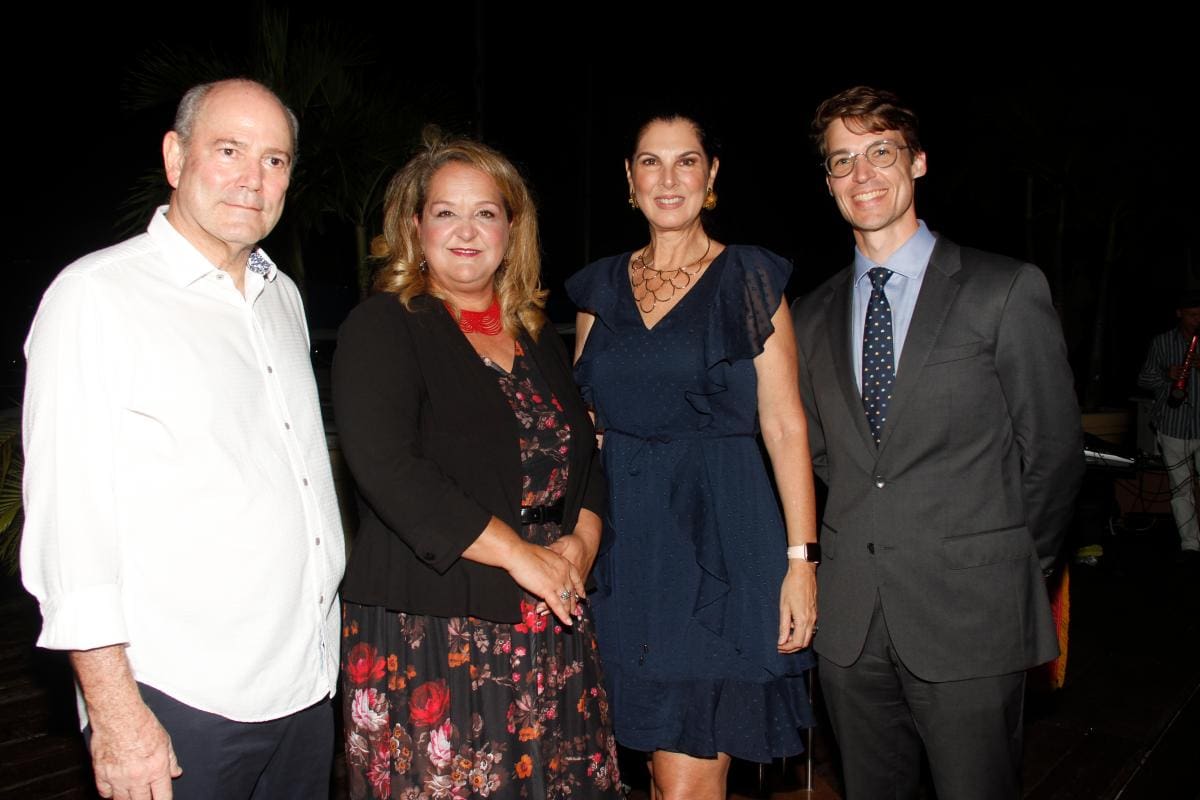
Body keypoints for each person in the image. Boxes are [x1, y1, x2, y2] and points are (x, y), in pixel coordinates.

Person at [21, 79, 345, 799]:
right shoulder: (97, 298)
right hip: (181, 701)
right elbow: (69, 529)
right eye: (229, 150)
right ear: (175, 157)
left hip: (304, 687)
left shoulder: (280, 297)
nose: (252, 179)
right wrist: (115, 713)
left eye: (275, 160)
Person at [792, 85, 1084, 799]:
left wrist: (1008, 569)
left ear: (917, 162)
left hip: (972, 617)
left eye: (880, 153)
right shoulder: (808, 315)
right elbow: (825, 454)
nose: (862, 175)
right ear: (828, 181)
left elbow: (1051, 454)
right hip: (852, 626)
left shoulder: (1004, 288)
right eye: (842, 161)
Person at [332, 134, 622, 800]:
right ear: (414, 227)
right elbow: (387, 467)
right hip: (436, 630)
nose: (466, 230)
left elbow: (584, 458)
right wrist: (519, 554)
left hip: (553, 618)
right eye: (445, 212)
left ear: (511, 229)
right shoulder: (384, 325)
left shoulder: (534, 334)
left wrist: (581, 541)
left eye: (485, 212)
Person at [567, 114, 818, 800]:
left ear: (711, 176)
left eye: (686, 162)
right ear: (629, 178)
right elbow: (584, 429)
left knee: (688, 771)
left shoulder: (749, 278)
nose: (668, 178)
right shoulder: (597, 290)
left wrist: (802, 562)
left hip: (721, 544)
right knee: (652, 763)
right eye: (651, 162)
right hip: (624, 554)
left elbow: (785, 423)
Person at [1137, 293, 1200, 562]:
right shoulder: (1162, 342)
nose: (1198, 320)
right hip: (1173, 425)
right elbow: (1144, 379)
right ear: (1179, 314)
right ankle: (1191, 545)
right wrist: (1167, 375)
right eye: (1192, 315)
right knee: (1180, 489)